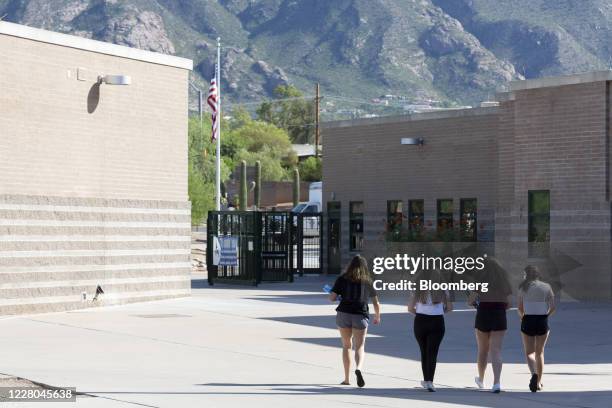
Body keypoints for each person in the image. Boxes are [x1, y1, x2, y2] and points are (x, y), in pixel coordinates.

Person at [329, 255, 381, 387]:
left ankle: (346, 378)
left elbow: (331, 298)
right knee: (360, 346)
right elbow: (376, 302)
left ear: (350, 265)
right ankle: (359, 368)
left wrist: (339, 295)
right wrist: (377, 316)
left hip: (344, 314)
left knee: (346, 346)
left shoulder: (342, 279)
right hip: (360, 315)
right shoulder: (368, 281)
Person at [469, 257, 513, 393]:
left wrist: (475, 302)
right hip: (499, 316)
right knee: (496, 350)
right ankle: (497, 383)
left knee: (483, 350)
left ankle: (481, 379)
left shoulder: (479, 280)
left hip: (483, 315)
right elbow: (509, 304)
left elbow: (471, 300)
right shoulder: (504, 282)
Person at [408, 269, 453, 392]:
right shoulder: (443, 287)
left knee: (424, 352)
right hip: (437, 321)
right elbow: (450, 308)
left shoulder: (417, 287)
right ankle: (430, 382)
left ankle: (426, 379)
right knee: (433, 352)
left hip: (421, 320)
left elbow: (410, 308)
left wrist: (421, 313)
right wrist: (439, 311)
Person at [517, 265, 556, 392]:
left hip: (528, 320)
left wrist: (522, 318)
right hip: (542, 320)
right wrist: (546, 316)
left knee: (529, 352)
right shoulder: (547, 287)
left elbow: (520, 308)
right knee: (540, 352)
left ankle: (534, 373)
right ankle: (539, 382)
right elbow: (553, 307)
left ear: (526, 275)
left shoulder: (523, 288)